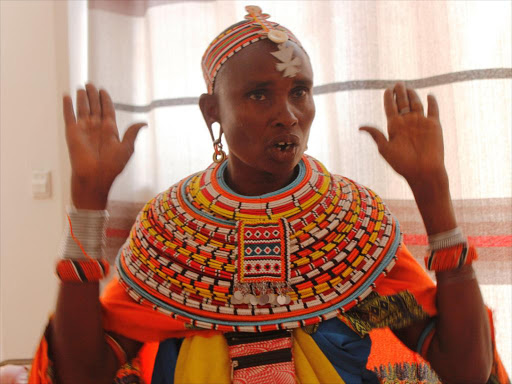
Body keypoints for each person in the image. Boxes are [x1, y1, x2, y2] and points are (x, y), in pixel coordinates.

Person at [30, 6, 509, 384]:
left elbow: (462, 368)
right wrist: (88, 203)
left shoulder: (351, 227)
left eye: (299, 91)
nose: (288, 114)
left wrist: (435, 195)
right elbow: (83, 373)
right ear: (211, 110)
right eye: (259, 94)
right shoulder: (169, 231)